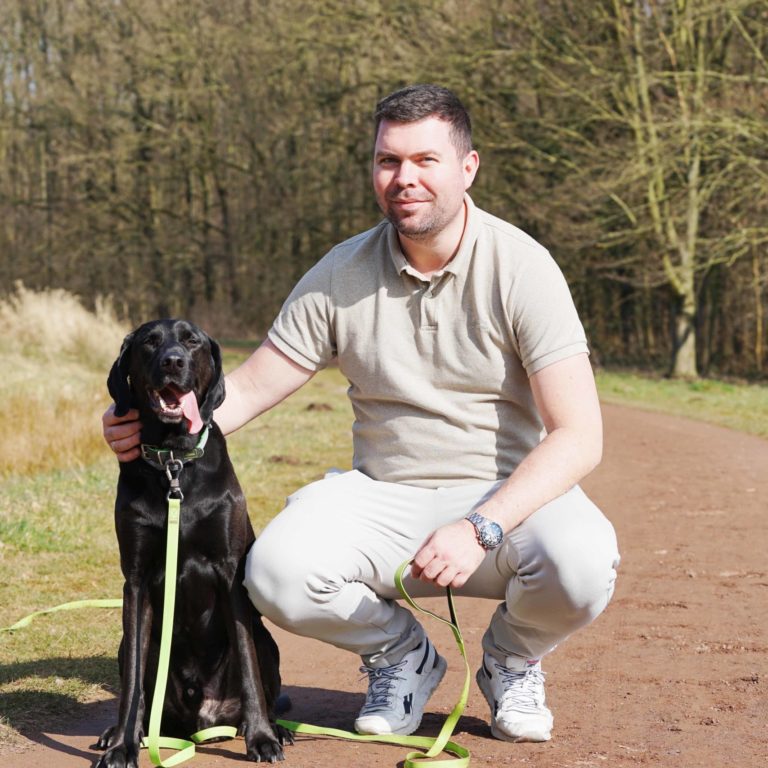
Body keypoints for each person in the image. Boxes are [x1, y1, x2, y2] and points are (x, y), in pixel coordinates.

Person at [103, 84, 620, 744]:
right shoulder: (338, 273)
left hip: (501, 499)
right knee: (271, 571)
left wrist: (481, 526)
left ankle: (512, 659)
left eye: (425, 160)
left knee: (583, 560)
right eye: (387, 161)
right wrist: (147, 427)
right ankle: (401, 655)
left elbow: (580, 436)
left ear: (468, 167)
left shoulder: (525, 269)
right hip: (383, 497)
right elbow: (252, 387)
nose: (404, 178)